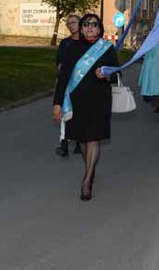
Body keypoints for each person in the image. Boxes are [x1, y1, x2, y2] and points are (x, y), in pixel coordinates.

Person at [52, 13, 119, 201]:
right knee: (82, 140)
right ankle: (90, 167)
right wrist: (57, 104)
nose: (90, 28)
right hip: (76, 101)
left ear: (100, 29)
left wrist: (106, 75)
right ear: (81, 28)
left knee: (93, 139)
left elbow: (116, 74)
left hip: (99, 101)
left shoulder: (106, 49)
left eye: (94, 25)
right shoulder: (71, 48)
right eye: (87, 24)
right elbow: (63, 78)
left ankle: (87, 180)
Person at [55, 14, 81, 158]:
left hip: (81, 84)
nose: (71, 25)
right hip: (67, 83)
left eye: (74, 22)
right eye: (69, 23)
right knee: (65, 112)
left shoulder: (86, 43)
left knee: (79, 112)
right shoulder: (65, 43)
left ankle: (78, 141)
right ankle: (63, 144)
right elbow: (59, 63)